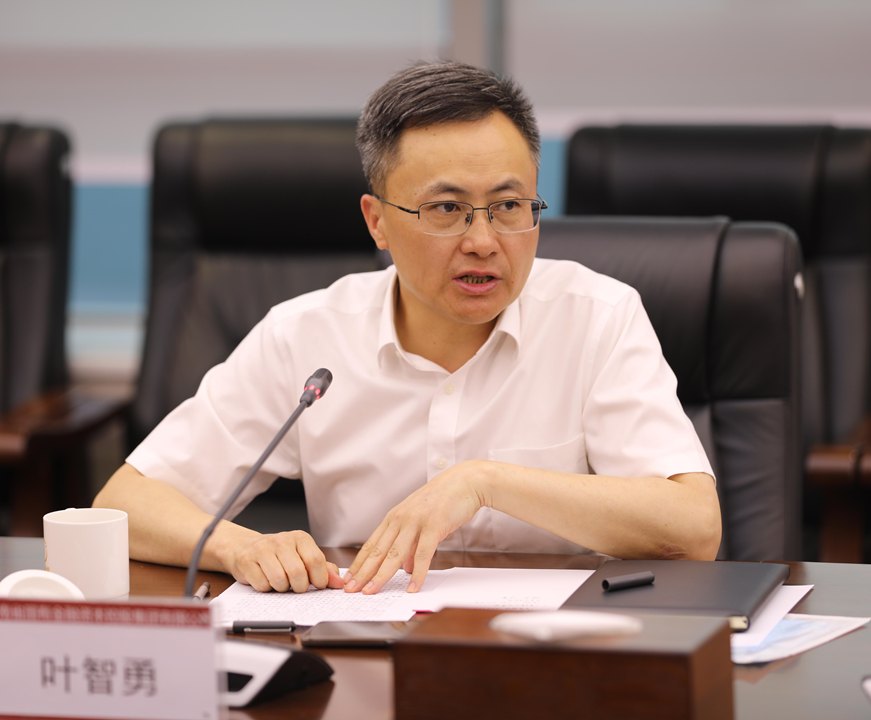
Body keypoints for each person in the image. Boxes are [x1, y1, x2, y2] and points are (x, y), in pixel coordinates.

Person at [93, 61, 721, 596]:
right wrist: (238, 548)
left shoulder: (597, 317)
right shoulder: (305, 336)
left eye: (509, 206)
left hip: (553, 655)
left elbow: (694, 529)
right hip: (365, 650)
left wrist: (485, 482)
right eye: (446, 209)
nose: (483, 241)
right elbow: (125, 503)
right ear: (378, 222)